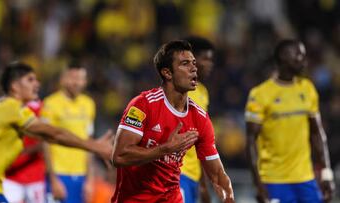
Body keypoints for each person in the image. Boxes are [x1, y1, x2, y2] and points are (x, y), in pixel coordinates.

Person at [111, 40, 234, 203]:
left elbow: (218, 175)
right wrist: (165, 149)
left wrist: (229, 198)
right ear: (167, 73)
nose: (193, 68)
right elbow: (119, 156)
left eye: (194, 63)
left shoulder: (200, 117)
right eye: (185, 64)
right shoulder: (143, 105)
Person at [0, 62, 113, 203]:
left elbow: (52, 138)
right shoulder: (11, 109)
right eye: (30, 80)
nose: (37, 84)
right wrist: (95, 147)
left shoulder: (8, 109)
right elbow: (54, 134)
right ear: (15, 86)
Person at [245, 39, 335, 203]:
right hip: (274, 180)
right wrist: (258, 184)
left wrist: (326, 173)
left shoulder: (307, 89)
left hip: (305, 178)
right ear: (283, 57)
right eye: (298, 54)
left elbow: (317, 133)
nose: (304, 59)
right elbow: (251, 140)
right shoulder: (260, 94)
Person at [41, 64, 108, 203]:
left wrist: (90, 180)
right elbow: (46, 142)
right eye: (73, 78)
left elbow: (88, 142)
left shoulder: (88, 104)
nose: (77, 82)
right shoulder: (50, 103)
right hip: (59, 174)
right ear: (62, 79)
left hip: (81, 176)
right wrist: (53, 179)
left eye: (81, 78)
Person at [180, 36, 214, 203]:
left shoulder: (202, 92)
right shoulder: (177, 90)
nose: (210, 64)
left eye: (211, 59)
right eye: (205, 59)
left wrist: (203, 185)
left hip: (193, 175)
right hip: (177, 173)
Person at [3, 100, 46, 203]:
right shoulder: (5, 107)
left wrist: (23, 153)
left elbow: (46, 140)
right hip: (11, 176)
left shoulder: (43, 108)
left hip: (35, 176)